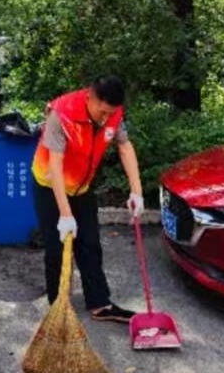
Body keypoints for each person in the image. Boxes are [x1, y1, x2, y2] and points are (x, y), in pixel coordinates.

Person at [32, 75, 144, 323]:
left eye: (110, 113)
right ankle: (58, 306)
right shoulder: (61, 114)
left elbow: (124, 147)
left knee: (91, 243)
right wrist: (65, 214)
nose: (106, 118)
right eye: (102, 112)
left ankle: (99, 303)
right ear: (90, 98)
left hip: (82, 187)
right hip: (50, 184)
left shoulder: (113, 114)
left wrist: (136, 191)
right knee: (57, 249)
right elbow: (56, 164)